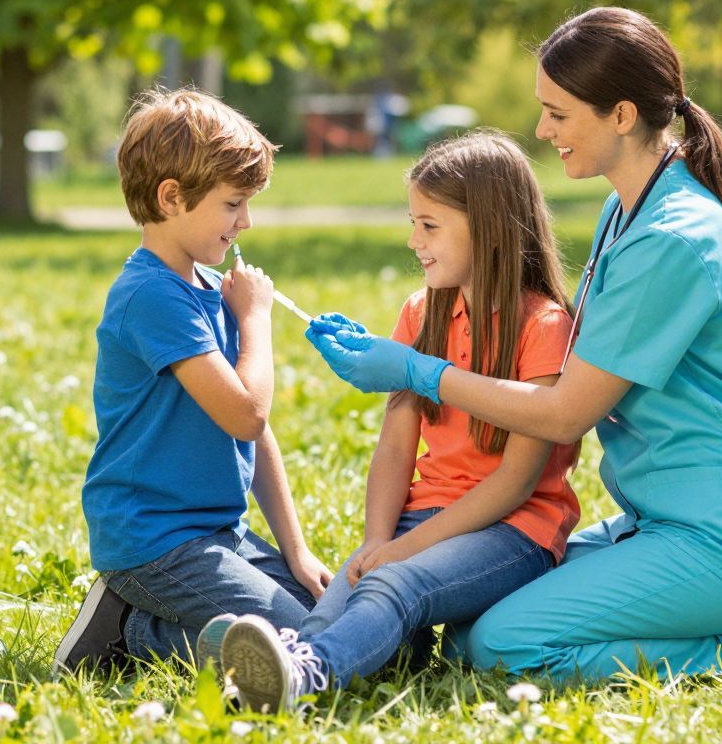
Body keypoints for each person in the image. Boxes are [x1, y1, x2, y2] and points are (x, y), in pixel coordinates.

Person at [311, 7, 722, 682]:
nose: (542, 131)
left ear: (621, 115)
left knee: (500, 645)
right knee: (474, 611)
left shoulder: (674, 238)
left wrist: (422, 371)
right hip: (658, 518)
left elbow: (567, 413)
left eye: (558, 114)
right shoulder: (626, 207)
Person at [212, 131, 581, 710]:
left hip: (515, 530)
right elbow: (394, 450)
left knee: (390, 583)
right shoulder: (421, 312)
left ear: (488, 228)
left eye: (430, 226)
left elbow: (515, 483)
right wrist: (377, 539)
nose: (414, 241)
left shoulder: (544, 327)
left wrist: (401, 554)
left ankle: (303, 677)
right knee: (343, 598)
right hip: (421, 516)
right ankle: (288, 673)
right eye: (414, 222)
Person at [55, 89, 331, 671]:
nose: (246, 221)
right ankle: (130, 632)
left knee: (345, 623)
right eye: (234, 203)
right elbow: (245, 413)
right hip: (155, 544)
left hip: (219, 532)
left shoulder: (210, 287)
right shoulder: (152, 295)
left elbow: (256, 435)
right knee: (308, 645)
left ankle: (150, 625)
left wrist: (296, 551)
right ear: (171, 197)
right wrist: (255, 320)